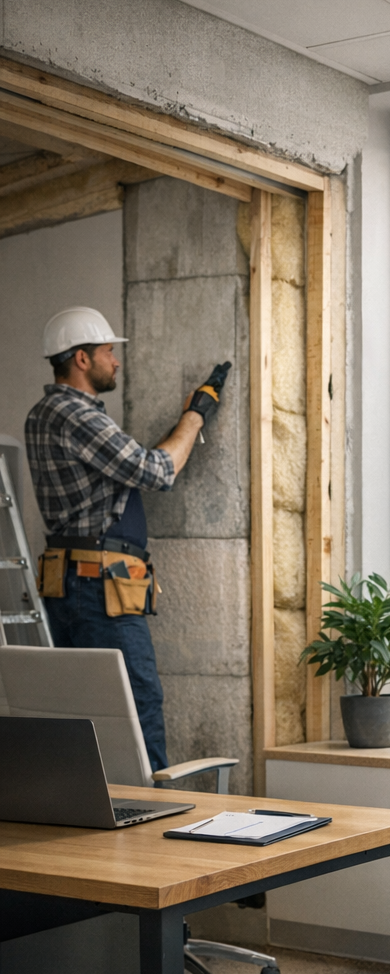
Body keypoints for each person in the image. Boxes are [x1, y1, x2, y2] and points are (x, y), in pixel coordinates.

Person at [24, 306, 230, 772]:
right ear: (81, 359)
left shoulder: (46, 414)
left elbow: (127, 470)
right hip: (98, 588)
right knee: (138, 706)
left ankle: (100, 810)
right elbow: (156, 471)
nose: (115, 361)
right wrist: (195, 416)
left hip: (74, 583)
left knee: (88, 716)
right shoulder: (74, 414)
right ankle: (150, 812)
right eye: (107, 352)